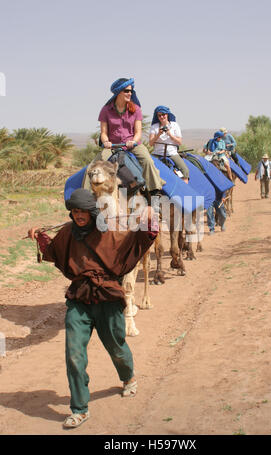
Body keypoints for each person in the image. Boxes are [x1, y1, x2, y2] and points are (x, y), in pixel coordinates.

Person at [28, 188, 158, 429]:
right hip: (79, 299)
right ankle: (79, 409)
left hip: (107, 299)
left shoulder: (112, 231)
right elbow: (55, 252)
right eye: (74, 212)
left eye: (82, 212)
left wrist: (149, 215)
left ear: (92, 212)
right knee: (74, 355)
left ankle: (128, 377)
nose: (78, 216)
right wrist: (39, 237)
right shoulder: (68, 233)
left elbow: (141, 238)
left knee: (116, 347)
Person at [96, 77, 165, 195]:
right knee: (94, 166)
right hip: (112, 146)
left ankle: (155, 191)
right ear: (118, 92)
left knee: (147, 160)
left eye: (131, 91)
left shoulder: (136, 109)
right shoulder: (106, 110)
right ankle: (89, 198)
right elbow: (103, 132)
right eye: (127, 91)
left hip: (132, 144)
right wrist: (106, 142)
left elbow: (138, 132)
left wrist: (133, 141)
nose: (130, 93)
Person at [149, 105, 189, 184]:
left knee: (185, 170)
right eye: (159, 115)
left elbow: (179, 142)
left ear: (167, 114)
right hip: (157, 154)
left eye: (163, 114)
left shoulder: (174, 125)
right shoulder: (154, 127)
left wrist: (170, 134)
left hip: (171, 153)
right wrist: (158, 134)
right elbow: (150, 143)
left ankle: (185, 189)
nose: (162, 117)